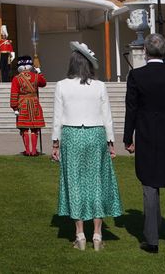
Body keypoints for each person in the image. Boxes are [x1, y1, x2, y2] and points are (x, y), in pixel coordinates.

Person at [123, 33, 165, 254]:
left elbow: (131, 109)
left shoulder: (136, 76)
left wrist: (128, 138)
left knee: (150, 187)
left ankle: (152, 239)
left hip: (147, 135)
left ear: (145, 50)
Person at [52, 42, 122, 251]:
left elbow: (58, 117)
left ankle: (80, 234)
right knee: (97, 181)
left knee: (74, 182)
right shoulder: (99, 86)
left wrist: (55, 143)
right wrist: (111, 142)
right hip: (96, 134)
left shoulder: (62, 85)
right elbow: (106, 116)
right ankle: (98, 234)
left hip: (72, 134)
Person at [10, 55, 47, 156]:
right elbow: (43, 83)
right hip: (34, 103)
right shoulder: (36, 76)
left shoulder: (16, 78)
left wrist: (14, 107)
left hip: (23, 104)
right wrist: (39, 72)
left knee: (24, 128)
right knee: (35, 128)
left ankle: (28, 151)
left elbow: (14, 94)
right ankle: (34, 151)